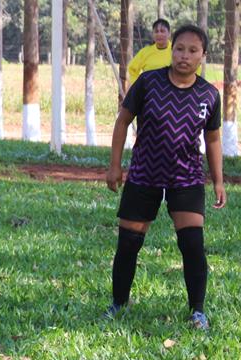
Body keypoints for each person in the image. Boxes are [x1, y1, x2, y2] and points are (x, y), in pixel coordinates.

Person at [105, 25, 226, 329]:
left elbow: (212, 140)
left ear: (203, 56)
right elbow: (123, 122)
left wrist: (218, 180)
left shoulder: (209, 95)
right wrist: (115, 165)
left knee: (193, 244)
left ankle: (197, 311)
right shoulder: (148, 83)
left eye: (192, 50)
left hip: (186, 178)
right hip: (145, 173)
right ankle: (118, 304)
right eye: (180, 48)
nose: (184, 55)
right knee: (129, 242)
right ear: (172, 50)